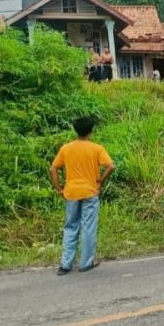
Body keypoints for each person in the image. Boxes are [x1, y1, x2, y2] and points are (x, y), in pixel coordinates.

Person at [49, 116, 115, 275]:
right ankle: (86, 262)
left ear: (75, 130)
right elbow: (111, 166)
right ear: (91, 131)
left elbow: (53, 168)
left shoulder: (66, 148)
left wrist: (59, 189)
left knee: (70, 226)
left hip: (71, 192)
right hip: (90, 191)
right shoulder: (96, 148)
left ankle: (65, 265)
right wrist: (100, 181)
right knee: (88, 227)